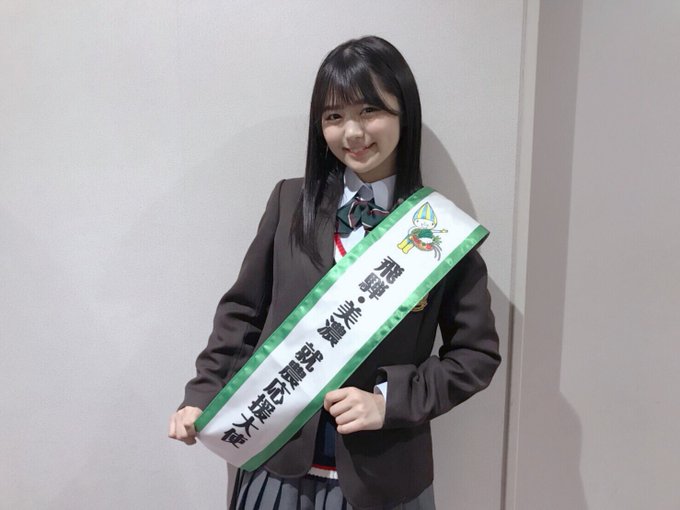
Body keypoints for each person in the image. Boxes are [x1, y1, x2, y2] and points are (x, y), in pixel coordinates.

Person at [168, 35, 501, 510]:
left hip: (383, 480)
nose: (352, 132)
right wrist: (204, 394)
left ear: (404, 113)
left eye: (369, 111)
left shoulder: (441, 232)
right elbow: (242, 315)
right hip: (277, 462)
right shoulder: (289, 202)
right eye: (333, 117)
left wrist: (389, 400)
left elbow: (475, 355)